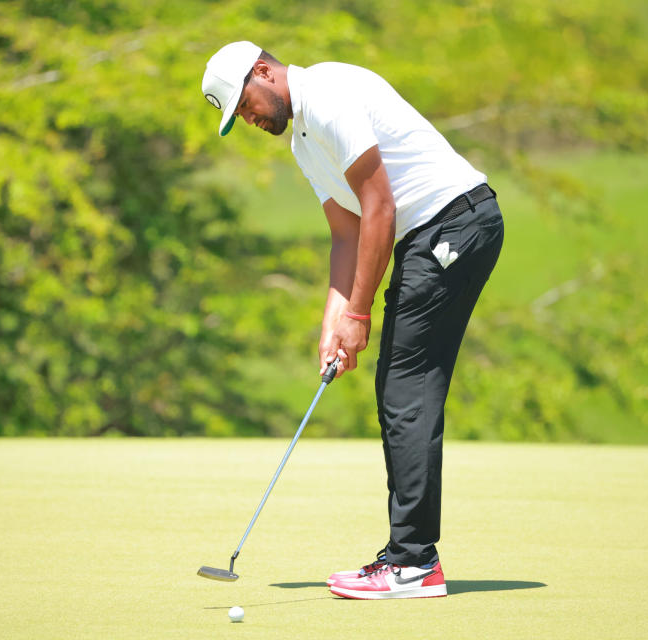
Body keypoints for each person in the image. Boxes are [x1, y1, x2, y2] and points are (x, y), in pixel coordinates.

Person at [202, 41, 504, 600]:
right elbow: (347, 232)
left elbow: (381, 208)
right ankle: (409, 557)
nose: (247, 119)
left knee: (405, 390)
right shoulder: (302, 140)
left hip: (453, 224)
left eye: (244, 105)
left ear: (263, 71)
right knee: (400, 388)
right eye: (239, 117)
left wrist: (359, 314)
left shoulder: (328, 95)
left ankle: (413, 563)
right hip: (436, 234)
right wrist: (332, 324)